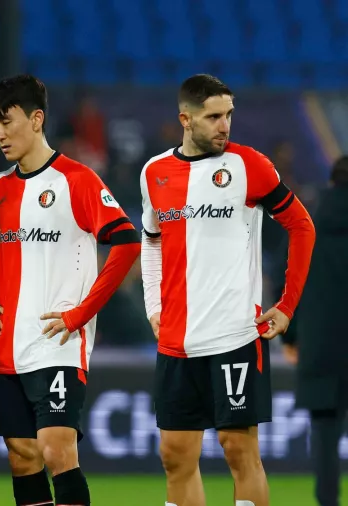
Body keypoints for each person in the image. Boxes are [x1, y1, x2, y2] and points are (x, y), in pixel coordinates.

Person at [0, 75, 141, 506]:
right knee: (22, 456)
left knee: (56, 449)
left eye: (6, 121)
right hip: (9, 344)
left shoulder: (76, 180)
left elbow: (127, 242)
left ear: (37, 119)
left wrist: (81, 314)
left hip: (59, 341)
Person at [139, 74, 316, 506]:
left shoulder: (249, 166)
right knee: (175, 456)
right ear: (186, 118)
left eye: (229, 115)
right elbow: (151, 239)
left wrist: (288, 305)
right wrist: (151, 304)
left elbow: (302, 226)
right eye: (214, 116)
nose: (225, 125)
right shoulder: (155, 172)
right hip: (177, 339)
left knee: (239, 451)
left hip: (235, 336)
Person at [280, 156, 348, 506]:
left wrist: (291, 338)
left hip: (320, 349)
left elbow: (288, 284)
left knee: (324, 434)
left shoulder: (307, 227)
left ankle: (327, 502)